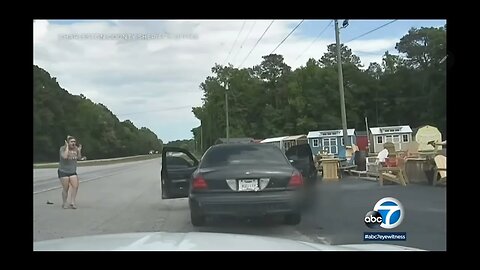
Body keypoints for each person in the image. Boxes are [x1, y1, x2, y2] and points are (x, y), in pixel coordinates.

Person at [58, 135, 82, 209]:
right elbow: (65, 157)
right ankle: (64, 203)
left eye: (74, 141)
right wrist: (67, 147)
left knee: (75, 186)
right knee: (66, 188)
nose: (73, 143)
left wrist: (79, 150)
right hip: (63, 171)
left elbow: (79, 158)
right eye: (71, 142)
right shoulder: (63, 148)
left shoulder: (76, 149)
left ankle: (72, 202)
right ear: (68, 142)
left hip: (72, 171)